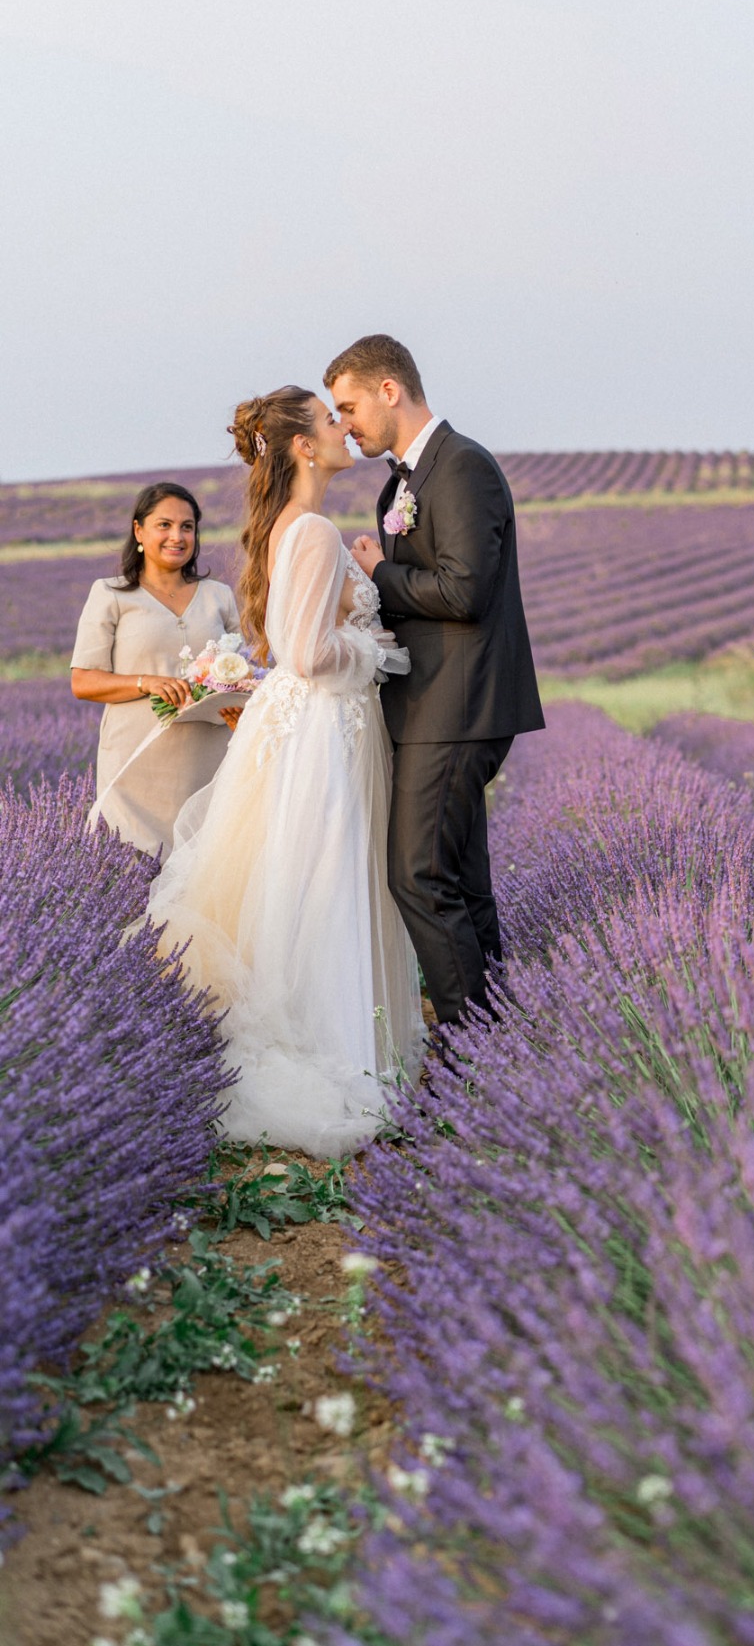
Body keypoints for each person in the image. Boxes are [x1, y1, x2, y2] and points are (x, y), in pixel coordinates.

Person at [144, 386, 424, 1157]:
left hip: (322, 724)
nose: (343, 430)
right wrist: (379, 651)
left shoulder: (300, 530)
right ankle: (338, 1058)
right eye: (331, 421)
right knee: (327, 878)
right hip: (325, 729)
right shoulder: (312, 532)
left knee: (314, 878)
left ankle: (347, 1047)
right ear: (303, 446)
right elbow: (304, 654)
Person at [325, 334, 544, 1028]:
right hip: (432, 705)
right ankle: (497, 1039)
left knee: (416, 876)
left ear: (390, 391)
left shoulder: (461, 467)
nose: (345, 424)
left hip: (458, 706)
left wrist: (376, 573)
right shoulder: (402, 482)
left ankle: (465, 1051)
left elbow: (467, 590)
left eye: (350, 406)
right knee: (461, 881)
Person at [70, 483, 240, 854]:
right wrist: (147, 682)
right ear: (138, 531)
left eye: (187, 526)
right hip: (135, 771)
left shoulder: (219, 596)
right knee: (134, 879)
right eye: (164, 525)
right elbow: (83, 681)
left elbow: (243, 674)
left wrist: (240, 707)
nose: (177, 536)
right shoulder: (110, 594)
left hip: (208, 766)